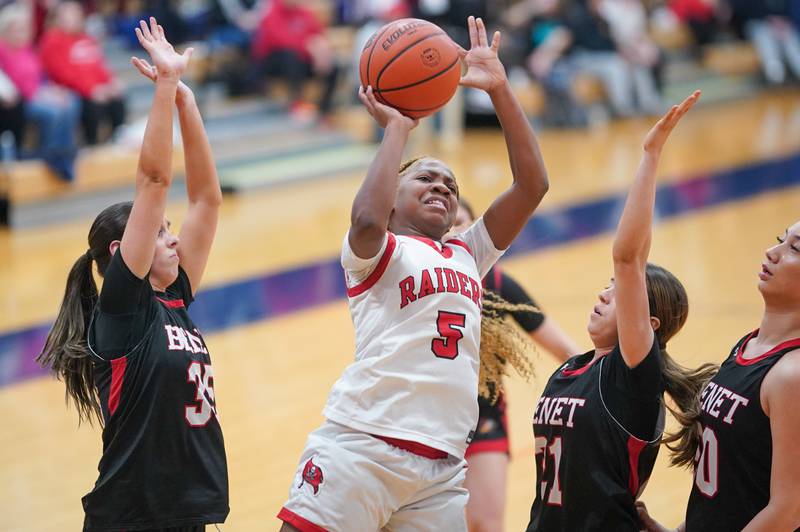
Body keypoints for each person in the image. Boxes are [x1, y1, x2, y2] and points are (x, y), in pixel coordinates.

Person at [278, 16, 550, 531]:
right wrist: (398, 129)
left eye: (450, 184)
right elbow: (365, 217)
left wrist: (499, 88)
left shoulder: (469, 253)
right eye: (425, 178)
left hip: (441, 467)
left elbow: (532, 184)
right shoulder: (376, 251)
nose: (443, 187)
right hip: (363, 443)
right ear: (395, 195)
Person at [36, 18, 228, 531]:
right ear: (123, 252)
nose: (173, 237)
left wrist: (187, 102)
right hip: (132, 515)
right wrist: (164, 87)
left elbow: (207, 199)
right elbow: (154, 179)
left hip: (184, 508)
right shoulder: (122, 309)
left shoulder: (175, 298)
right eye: (161, 230)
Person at [525, 91, 718, 531]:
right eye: (609, 287)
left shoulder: (631, 377)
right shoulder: (571, 369)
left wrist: (649, 155)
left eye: (621, 293)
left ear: (647, 325)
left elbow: (628, 257)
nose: (606, 293)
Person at [635, 225, 800, 526]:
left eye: (795, 248)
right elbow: (731, 488)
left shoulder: (792, 374)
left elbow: (788, 511)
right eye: (780, 239)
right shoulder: (747, 346)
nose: (772, 252)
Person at [452, 198, 579, 532]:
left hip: (485, 419)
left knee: (485, 524)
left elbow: (565, 347)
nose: (455, 230)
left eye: (462, 222)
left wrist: (605, 381)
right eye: (448, 224)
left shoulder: (496, 283)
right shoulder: (419, 281)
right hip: (430, 422)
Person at [0, 3, 79, 181]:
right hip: (21, 101)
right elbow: (10, 85)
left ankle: (64, 153)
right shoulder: (2, 50)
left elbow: (40, 77)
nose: (22, 33)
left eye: (24, 29)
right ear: (6, 29)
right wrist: (43, 95)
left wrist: (54, 91)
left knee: (71, 100)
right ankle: (51, 154)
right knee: (53, 111)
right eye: (17, 29)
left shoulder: (28, 49)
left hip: (39, 93)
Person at [40, 1, 127, 145]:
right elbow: (61, 73)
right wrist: (90, 90)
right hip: (71, 90)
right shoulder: (51, 40)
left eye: (76, 14)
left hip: (96, 89)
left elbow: (100, 66)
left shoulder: (87, 39)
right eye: (69, 15)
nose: (74, 18)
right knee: (92, 104)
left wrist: (111, 83)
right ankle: (91, 144)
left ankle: (117, 141)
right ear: (58, 18)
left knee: (118, 98)